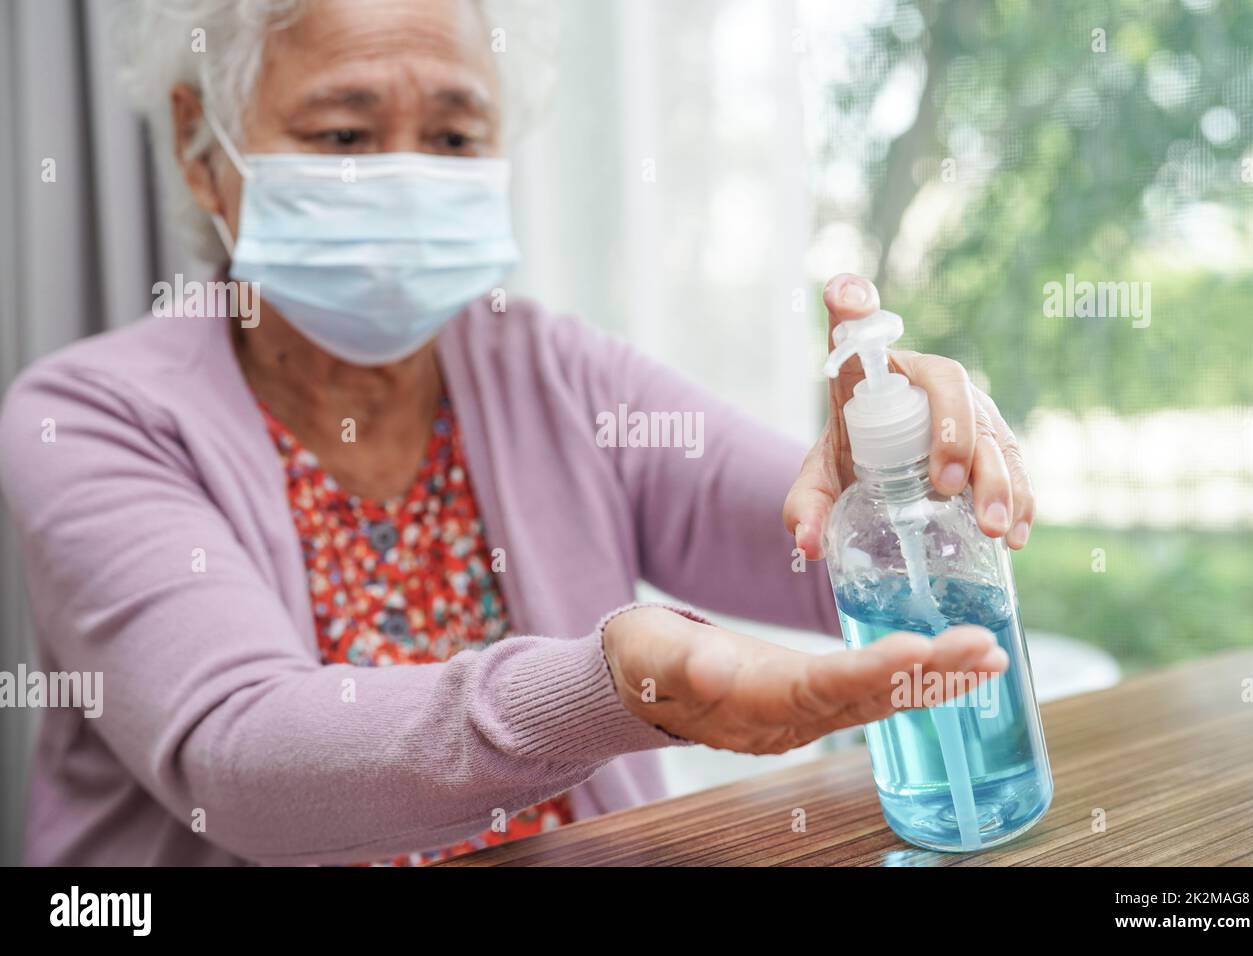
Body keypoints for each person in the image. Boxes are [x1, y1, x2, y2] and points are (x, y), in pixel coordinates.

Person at [0, 0, 1034, 865]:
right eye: (343, 137)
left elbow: (814, 552)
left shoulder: (556, 373)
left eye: (454, 137)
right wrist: (607, 688)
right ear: (201, 149)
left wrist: (901, 480)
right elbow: (241, 759)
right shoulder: (86, 417)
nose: (406, 179)